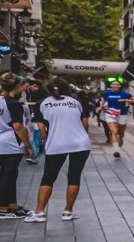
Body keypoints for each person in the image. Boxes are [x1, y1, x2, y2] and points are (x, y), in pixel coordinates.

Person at [28, 78, 93, 222]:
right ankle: (68, 211)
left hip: (56, 143)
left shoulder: (41, 103)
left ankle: (39, 213)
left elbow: (41, 128)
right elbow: (85, 123)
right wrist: (82, 135)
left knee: (48, 177)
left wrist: (47, 141)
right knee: (74, 176)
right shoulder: (77, 102)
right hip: (80, 143)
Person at [0, 73, 31, 219]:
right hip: (10, 142)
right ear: (16, 86)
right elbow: (18, 126)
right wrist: (27, 144)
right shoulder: (14, 104)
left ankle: (13, 205)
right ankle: (3, 209)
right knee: (7, 175)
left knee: (10, 174)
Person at [101, 78, 134, 157]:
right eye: (114, 84)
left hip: (122, 114)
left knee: (121, 132)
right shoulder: (106, 92)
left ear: (119, 86)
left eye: (117, 84)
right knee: (114, 131)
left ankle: (121, 137)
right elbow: (104, 99)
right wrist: (101, 106)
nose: (115, 86)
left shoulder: (124, 93)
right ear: (111, 85)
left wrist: (125, 100)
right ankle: (116, 150)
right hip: (110, 113)